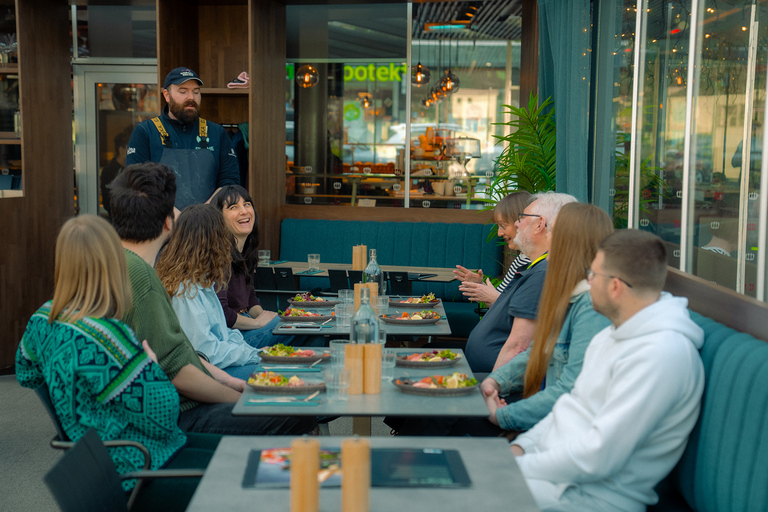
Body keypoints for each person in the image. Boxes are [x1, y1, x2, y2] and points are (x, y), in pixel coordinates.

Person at [15, 215, 218, 511]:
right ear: (112, 263)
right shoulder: (108, 338)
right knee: (245, 466)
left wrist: (77, 408)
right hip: (137, 464)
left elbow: (26, 373)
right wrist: (150, 365)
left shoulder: (41, 320)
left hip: (92, 461)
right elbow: (164, 414)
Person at [109, 162, 315, 436]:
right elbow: (182, 368)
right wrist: (238, 395)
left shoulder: (120, 267)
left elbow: (184, 355)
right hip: (174, 414)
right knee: (298, 403)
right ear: (169, 222)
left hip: (162, 403)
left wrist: (233, 376)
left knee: (295, 386)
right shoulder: (146, 280)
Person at [511, 230, 705, 511]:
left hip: (588, 498)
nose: (587, 281)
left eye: (592, 274)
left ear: (615, 286)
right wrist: (522, 447)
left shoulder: (661, 355)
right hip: (549, 477)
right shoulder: (610, 334)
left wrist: (513, 466)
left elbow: (597, 458)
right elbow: (570, 406)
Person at [393, 204, 613, 438]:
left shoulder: (589, 308)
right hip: (517, 397)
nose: (547, 239)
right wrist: (494, 382)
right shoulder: (567, 293)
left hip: (536, 419)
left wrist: (504, 415)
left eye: (552, 232)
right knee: (428, 400)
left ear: (571, 244)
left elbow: (565, 393)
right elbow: (534, 352)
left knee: (433, 407)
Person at [464, 192, 577, 374]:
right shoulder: (535, 267)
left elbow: (519, 346)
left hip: (496, 382)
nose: (517, 224)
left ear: (539, 224)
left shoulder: (542, 274)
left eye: (522, 218)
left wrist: (493, 384)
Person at [155, 204, 262, 380]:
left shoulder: (200, 280)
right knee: (279, 370)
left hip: (220, 361)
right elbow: (205, 351)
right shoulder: (185, 291)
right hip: (209, 373)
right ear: (214, 242)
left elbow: (223, 333)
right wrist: (254, 356)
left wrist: (254, 352)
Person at [125, 67, 239, 209]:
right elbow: (135, 183)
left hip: (209, 220)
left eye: (196, 92)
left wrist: (203, 213)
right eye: (183, 91)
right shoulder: (145, 132)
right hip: (162, 220)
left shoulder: (217, 133)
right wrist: (171, 214)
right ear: (167, 95)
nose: (191, 97)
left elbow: (230, 182)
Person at [212, 185, 303, 348]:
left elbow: (250, 297)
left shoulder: (246, 252)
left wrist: (264, 316)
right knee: (302, 325)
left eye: (247, 204)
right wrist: (258, 323)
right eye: (233, 207)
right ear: (219, 217)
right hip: (232, 336)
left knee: (308, 326)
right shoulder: (219, 256)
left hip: (246, 325)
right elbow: (222, 313)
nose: (244, 211)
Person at [453, 191, 533, 307]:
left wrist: (491, 297)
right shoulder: (522, 258)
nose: (499, 233)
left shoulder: (535, 265)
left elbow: (520, 311)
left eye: (503, 226)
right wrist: (480, 287)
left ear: (522, 223)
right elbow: (499, 303)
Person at [100, 127, 131, 216]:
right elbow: (107, 201)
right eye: (130, 149)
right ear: (121, 150)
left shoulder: (131, 168)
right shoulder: (109, 171)